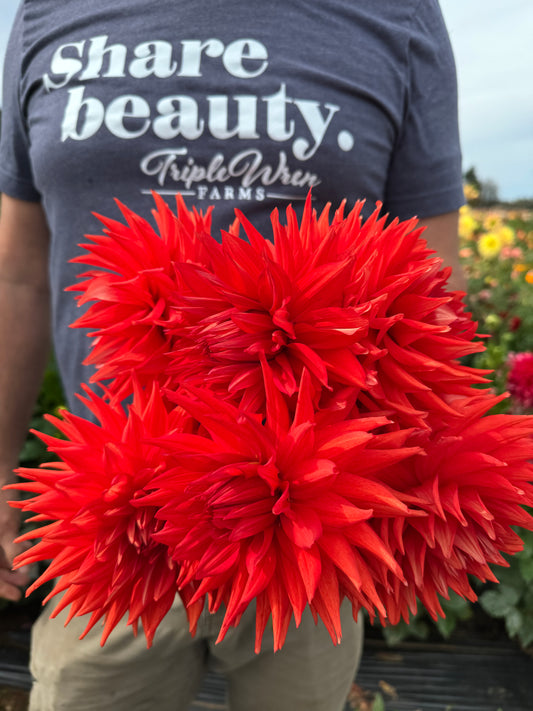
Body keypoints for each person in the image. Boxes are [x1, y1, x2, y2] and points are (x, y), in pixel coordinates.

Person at [0, 1, 465, 709]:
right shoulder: (46, 12)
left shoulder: (396, 13)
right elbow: (16, 271)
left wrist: (429, 475)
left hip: (317, 513)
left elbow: (429, 277)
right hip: (116, 514)